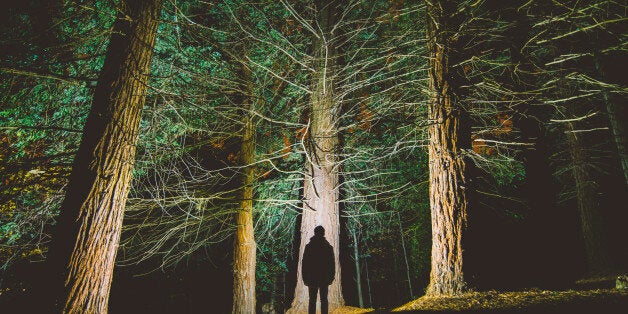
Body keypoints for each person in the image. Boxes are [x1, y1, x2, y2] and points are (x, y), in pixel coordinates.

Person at [302, 225, 335, 314]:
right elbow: (332, 264)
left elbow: (304, 264)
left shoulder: (309, 247)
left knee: (312, 300)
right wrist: (331, 277)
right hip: (324, 277)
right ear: (323, 233)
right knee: (324, 300)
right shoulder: (328, 247)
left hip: (312, 277)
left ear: (315, 233)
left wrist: (304, 278)